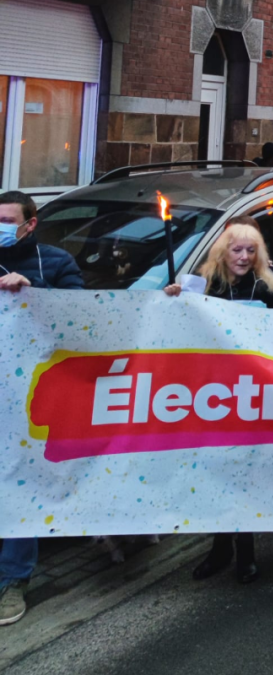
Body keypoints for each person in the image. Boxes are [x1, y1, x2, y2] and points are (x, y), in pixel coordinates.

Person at [164, 218, 273, 584]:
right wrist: (174, 301)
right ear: (224, 250)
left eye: (251, 250)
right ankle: (220, 549)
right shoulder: (205, 285)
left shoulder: (269, 287)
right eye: (237, 249)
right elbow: (184, 331)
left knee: (246, 472)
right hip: (213, 395)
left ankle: (245, 551)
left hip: (253, 394)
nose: (245, 257)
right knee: (218, 469)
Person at [0, 191, 84, 626]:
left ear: (30, 224)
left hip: (29, 397)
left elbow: (82, 318)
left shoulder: (54, 262)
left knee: (20, 481)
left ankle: (12, 580)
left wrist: (37, 292)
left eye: (7, 220)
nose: (1, 226)